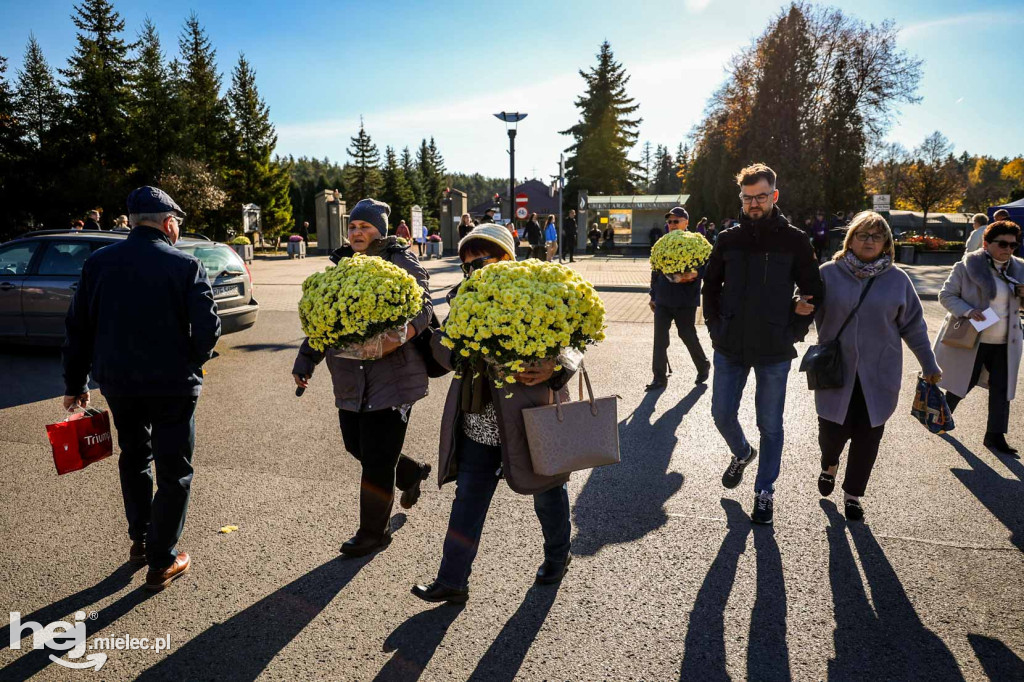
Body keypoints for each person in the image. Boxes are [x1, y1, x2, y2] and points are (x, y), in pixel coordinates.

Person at [62, 186, 221, 590]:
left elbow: (78, 325)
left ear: (132, 223)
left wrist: (76, 382)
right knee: (175, 469)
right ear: (169, 224)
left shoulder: (98, 263)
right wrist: (192, 361)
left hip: (118, 382)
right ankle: (162, 559)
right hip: (173, 385)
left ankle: (140, 540)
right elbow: (208, 328)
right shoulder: (185, 265)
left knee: (134, 457)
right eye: (177, 225)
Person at [411, 224, 574, 603]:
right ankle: (452, 580)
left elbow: (576, 344)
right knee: (468, 498)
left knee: (548, 493)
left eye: (481, 261)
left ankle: (557, 554)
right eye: (467, 266)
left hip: (531, 417)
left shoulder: (542, 294)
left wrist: (556, 368)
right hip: (478, 420)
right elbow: (448, 357)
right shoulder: (465, 300)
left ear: (507, 258)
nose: (474, 271)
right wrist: (441, 337)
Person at [292, 198, 433, 557]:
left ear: (380, 231)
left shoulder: (401, 261)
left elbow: (424, 307)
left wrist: (397, 337)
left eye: (365, 227)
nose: (357, 232)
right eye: (353, 226)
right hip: (350, 378)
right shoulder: (341, 265)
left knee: (377, 460)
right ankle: (412, 472)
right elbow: (325, 320)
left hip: (393, 376)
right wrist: (306, 359)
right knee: (357, 446)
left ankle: (374, 532)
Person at [703, 163, 823, 524]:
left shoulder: (795, 240)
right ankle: (741, 452)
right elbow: (710, 289)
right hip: (730, 345)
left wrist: (796, 327)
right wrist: (714, 329)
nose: (754, 204)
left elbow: (815, 291)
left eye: (760, 197)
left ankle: (764, 491)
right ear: (740, 198)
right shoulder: (727, 239)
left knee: (770, 424)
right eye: (747, 197)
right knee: (721, 413)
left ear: (774, 195)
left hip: (774, 347)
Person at [812, 211, 941, 521]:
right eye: (862, 235)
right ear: (850, 239)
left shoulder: (898, 280)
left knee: (869, 437)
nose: (869, 241)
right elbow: (804, 307)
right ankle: (829, 463)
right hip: (835, 371)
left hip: (879, 374)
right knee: (831, 433)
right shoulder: (828, 273)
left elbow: (913, 326)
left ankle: (853, 494)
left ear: (886, 243)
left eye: (876, 236)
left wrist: (929, 363)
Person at [935, 220, 1024, 456]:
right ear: (986, 243)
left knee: (1002, 389)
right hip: (974, 338)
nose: (1008, 249)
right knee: (962, 382)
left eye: (1013, 245)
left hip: (1006, 342)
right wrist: (968, 311)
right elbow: (946, 295)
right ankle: (941, 416)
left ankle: (995, 436)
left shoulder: (1019, 269)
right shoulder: (966, 266)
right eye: (1002, 243)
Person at [647, 206, 711, 392]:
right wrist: (653, 295)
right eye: (670, 222)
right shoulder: (662, 243)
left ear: (686, 222)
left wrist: (694, 273)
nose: (672, 225)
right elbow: (656, 271)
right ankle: (659, 378)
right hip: (664, 299)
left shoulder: (697, 243)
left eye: (676, 221)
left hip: (685, 300)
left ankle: (703, 365)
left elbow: (708, 268)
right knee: (660, 338)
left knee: (687, 334)